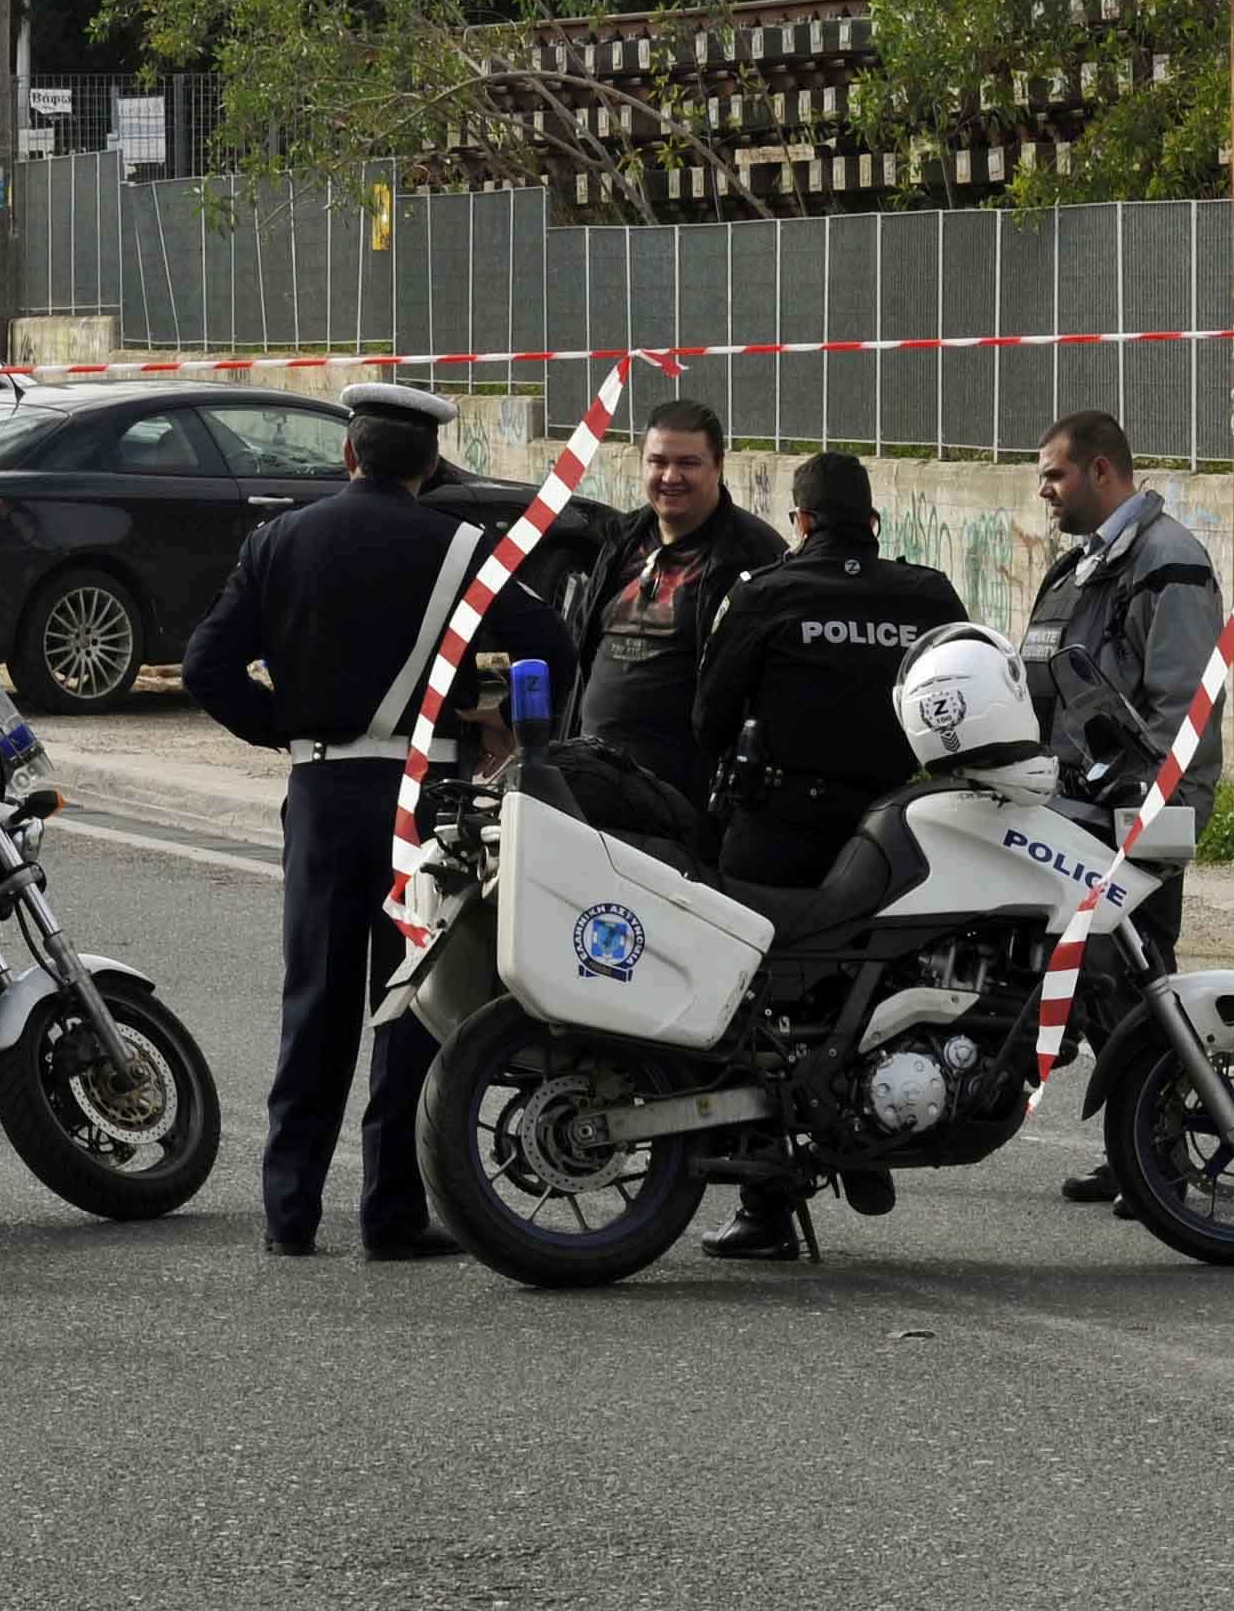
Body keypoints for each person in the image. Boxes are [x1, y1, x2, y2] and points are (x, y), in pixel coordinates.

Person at [182, 379, 574, 1262]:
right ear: (430, 465)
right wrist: (494, 716)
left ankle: (290, 1213)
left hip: (321, 794)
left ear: (348, 456)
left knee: (314, 1000)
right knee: (409, 1005)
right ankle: (391, 1213)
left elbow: (206, 664)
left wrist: (281, 726)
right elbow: (553, 646)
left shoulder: (278, 539)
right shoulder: (468, 549)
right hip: (424, 799)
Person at [684, 450, 968, 1261]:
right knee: (876, 992)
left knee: (757, 1012)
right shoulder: (926, 594)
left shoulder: (767, 592)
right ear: (870, 520)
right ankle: (863, 1140)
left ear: (801, 520)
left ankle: (766, 1206)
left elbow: (708, 719)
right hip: (895, 828)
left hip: (779, 827)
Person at [1020, 409, 1222, 1209]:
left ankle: (1160, 1158)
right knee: (1100, 985)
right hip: (1070, 806)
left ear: (1103, 471)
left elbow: (1182, 703)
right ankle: (1138, 1148)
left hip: (1128, 813)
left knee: (1135, 982)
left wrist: (1150, 813)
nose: (1045, 491)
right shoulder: (1084, 567)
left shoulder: (1167, 562)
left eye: (1055, 475)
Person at [565, 399, 785, 798]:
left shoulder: (753, 554)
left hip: (682, 795)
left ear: (718, 466)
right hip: (591, 777)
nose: (670, 476)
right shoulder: (622, 538)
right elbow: (582, 643)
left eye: (688, 463)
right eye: (658, 461)